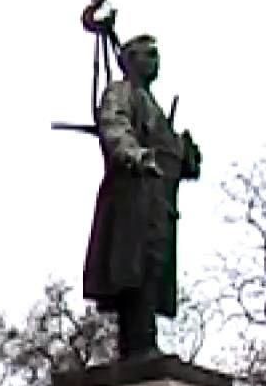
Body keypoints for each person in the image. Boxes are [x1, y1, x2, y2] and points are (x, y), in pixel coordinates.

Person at [81, 33, 201, 361]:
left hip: (160, 199)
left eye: (156, 55)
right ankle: (138, 345)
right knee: (136, 266)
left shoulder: (155, 106)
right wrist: (134, 154)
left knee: (154, 266)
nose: (155, 61)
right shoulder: (121, 93)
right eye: (148, 55)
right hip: (132, 196)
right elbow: (114, 127)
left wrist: (185, 154)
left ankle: (143, 343)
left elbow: (169, 152)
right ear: (130, 60)